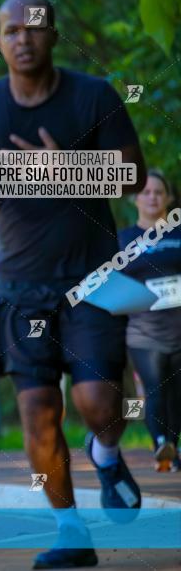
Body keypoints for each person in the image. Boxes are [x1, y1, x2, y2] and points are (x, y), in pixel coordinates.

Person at [0, 0, 148, 569]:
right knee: (37, 412)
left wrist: (64, 168)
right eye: (10, 31)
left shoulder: (93, 96)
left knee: (99, 401)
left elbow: (135, 176)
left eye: (33, 28)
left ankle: (105, 454)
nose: (22, 39)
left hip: (94, 279)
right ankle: (71, 531)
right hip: (21, 287)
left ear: (53, 34)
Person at [118, 170, 181, 472]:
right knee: (155, 386)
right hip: (143, 330)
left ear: (168, 198)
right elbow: (111, 284)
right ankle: (160, 444)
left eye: (158, 192)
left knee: (177, 390)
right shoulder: (124, 240)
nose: (153, 197)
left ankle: (172, 445)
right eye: (146, 192)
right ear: (135, 199)